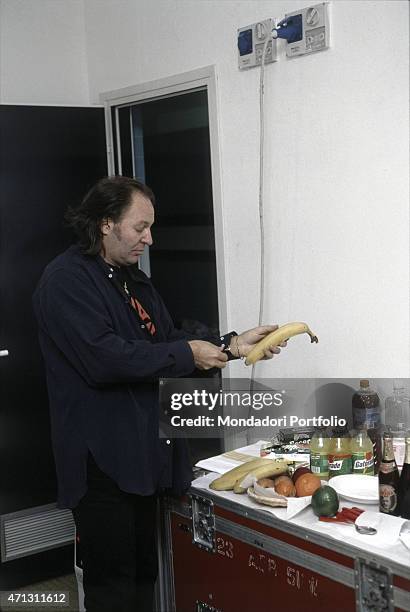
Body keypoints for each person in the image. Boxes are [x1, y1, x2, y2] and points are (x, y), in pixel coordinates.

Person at [32, 176, 285, 612]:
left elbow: (164, 339)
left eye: (150, 227)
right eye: (140, 227)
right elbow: (106, 359)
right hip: (102, 465)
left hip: (146, 453)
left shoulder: (133, 280)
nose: (148, 239)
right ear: (106, 223)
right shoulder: (65, 282)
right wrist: (186, 354)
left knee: (145, 574)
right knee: (113, 587)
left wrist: (232, 344)